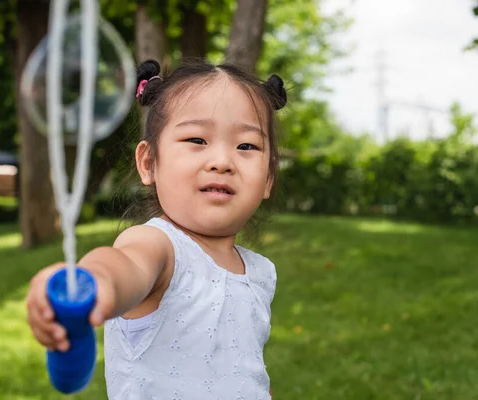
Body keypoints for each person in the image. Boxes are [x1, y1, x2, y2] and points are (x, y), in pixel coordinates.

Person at [26, 58, 287, 399]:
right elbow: (123, 266)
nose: (222, 161)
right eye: (197, 139)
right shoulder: (160, 246)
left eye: (246, 146)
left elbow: (248, 372)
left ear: (267, 177)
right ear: (149, 163)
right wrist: (91, 282)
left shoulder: (260, 272)